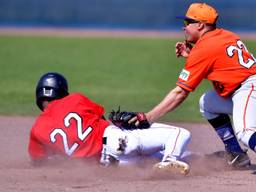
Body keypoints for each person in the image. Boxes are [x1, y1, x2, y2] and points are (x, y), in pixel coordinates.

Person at [130, 2, 255, 168]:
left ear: (200, 25)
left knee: (246, 132)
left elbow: (180, 93)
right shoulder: (225, 35)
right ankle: (236, 156)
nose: (184, 28)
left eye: (187, 23)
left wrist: (149, 117)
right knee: (207, 103)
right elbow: (223, 68)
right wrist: (192, 56)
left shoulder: (204, 48)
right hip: (246, 87)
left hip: (249, 88)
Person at [28, 72, 191, 175]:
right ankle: (170, 159)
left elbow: (39, 162)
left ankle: (192, 159)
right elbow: (102, 119)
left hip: (109, 165)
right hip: (117, 141)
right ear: (62, 91)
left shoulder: (37, 129)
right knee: (180, 134)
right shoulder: (75, 99)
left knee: (152, 159)